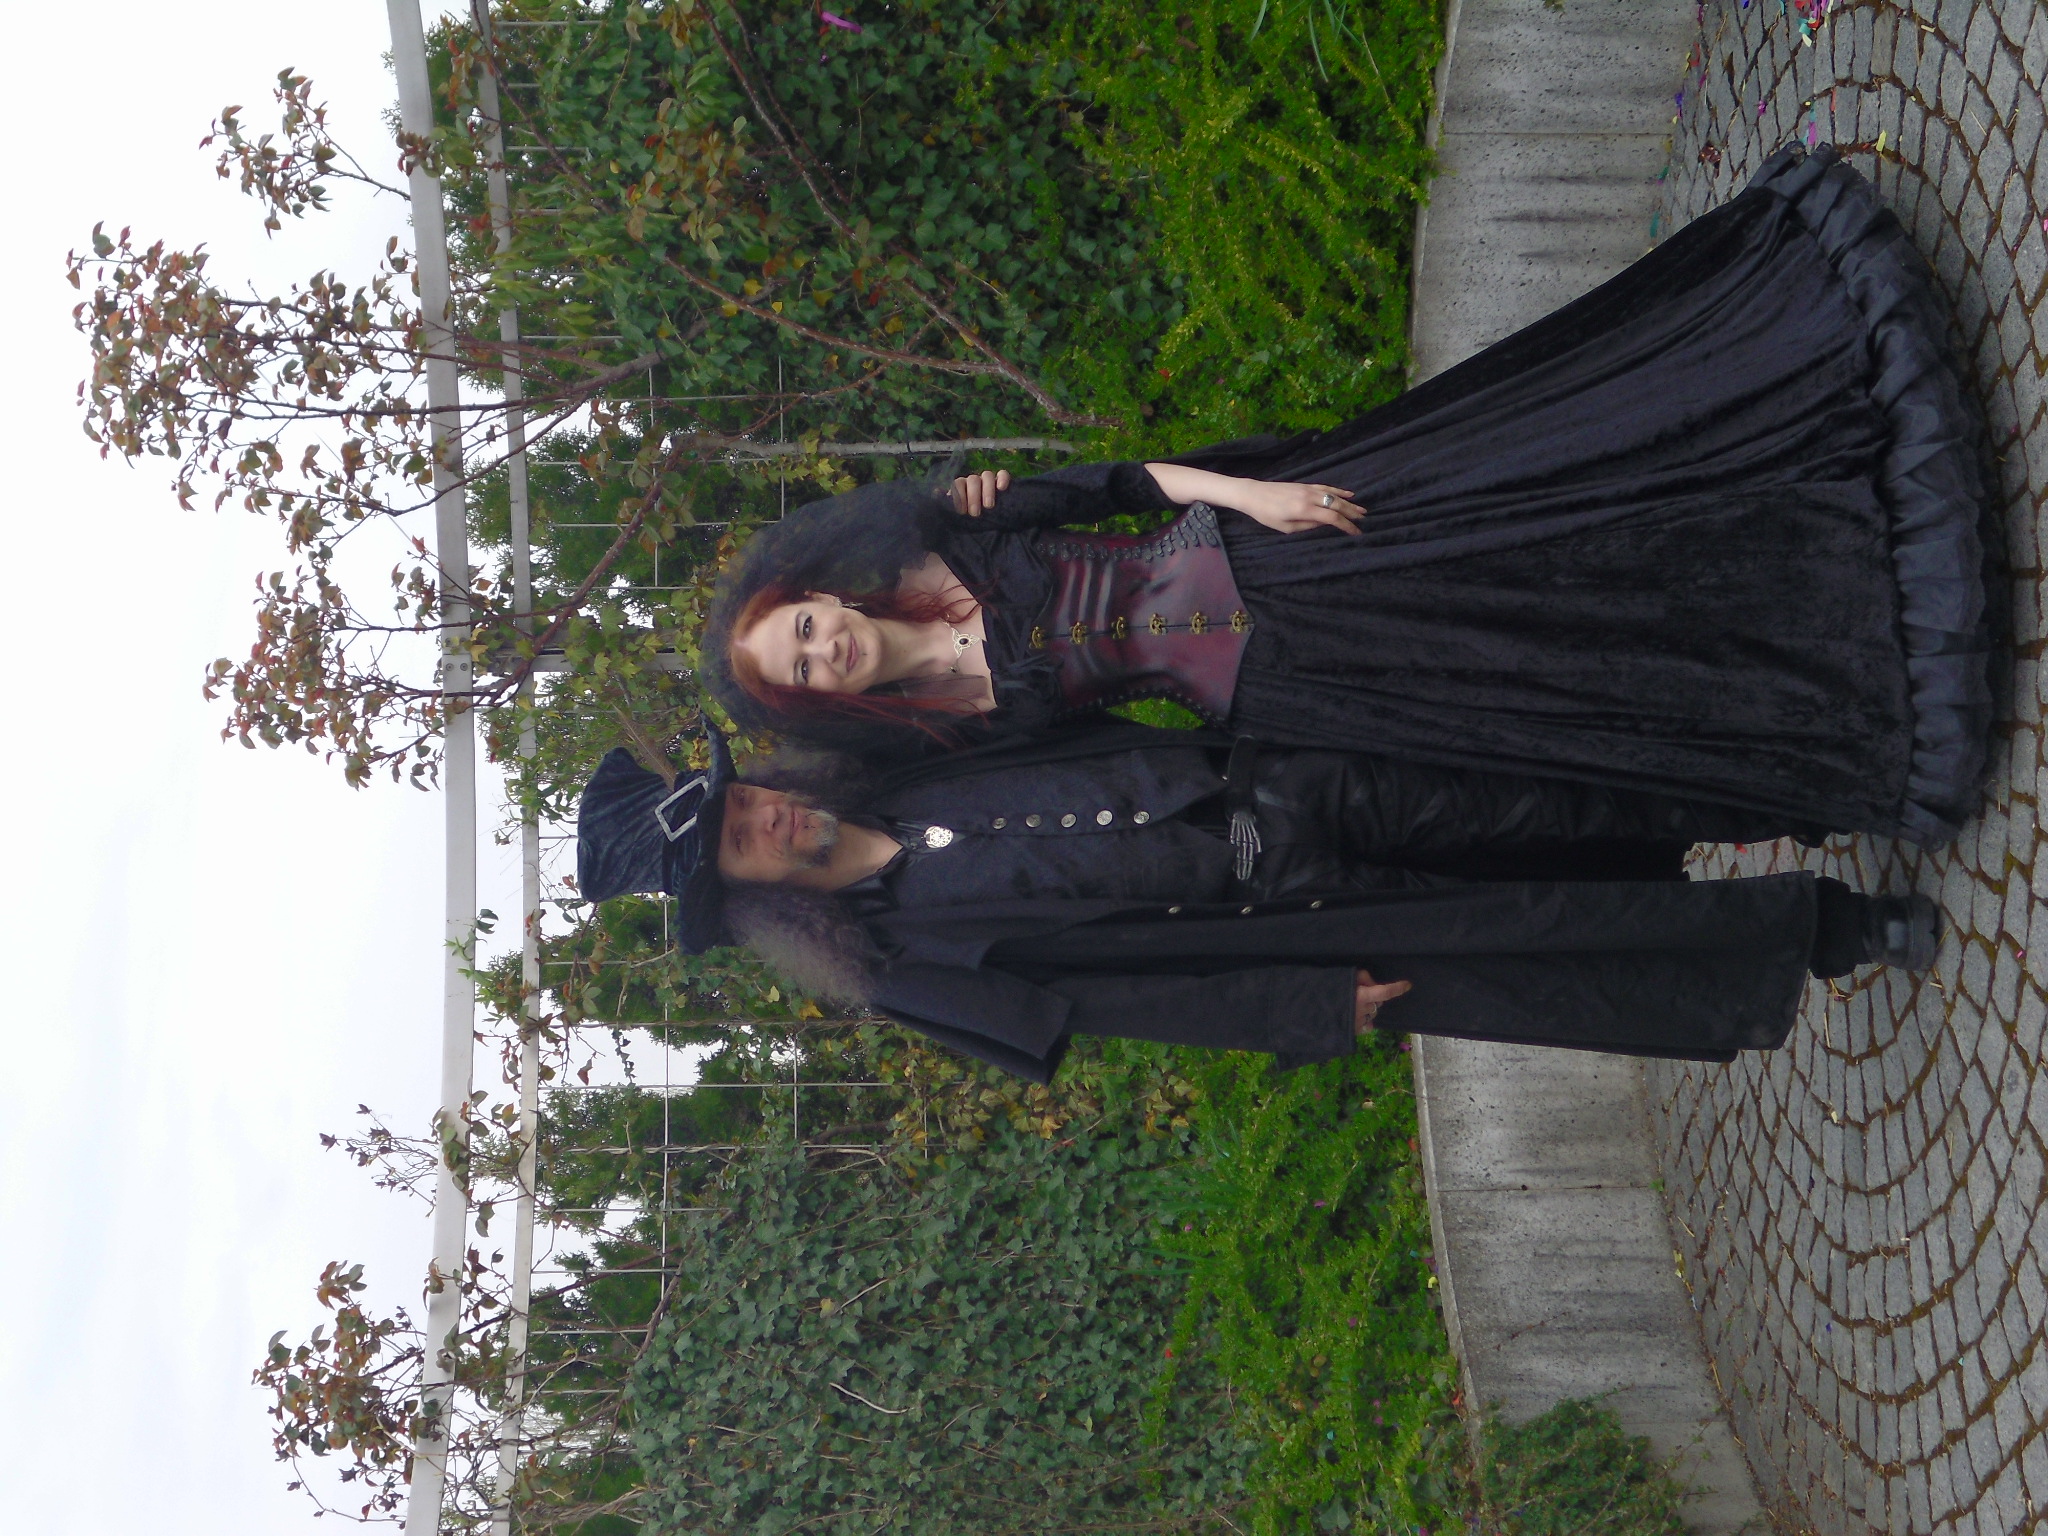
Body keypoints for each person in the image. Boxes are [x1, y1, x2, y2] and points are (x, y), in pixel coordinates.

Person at [701, 144, 1994, 848]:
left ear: (820, 595)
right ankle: (1856, 655)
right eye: (800, 670)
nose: (821, 649)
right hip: (1293, 682)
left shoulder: (959, 528)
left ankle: (1815, 404)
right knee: (1554, 649)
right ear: (820, 700)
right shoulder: (961, 738)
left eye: (801, 627)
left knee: (1548, 499)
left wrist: (1255, 498)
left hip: (1273, 552)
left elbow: (1126, 481)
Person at [574, 725, 1941, 1083]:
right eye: (743, 839)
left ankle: (1814, 789)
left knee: (1556, 799)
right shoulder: (898, 969)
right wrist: (1301, 1006)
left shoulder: (899, 754)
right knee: (1543, 928)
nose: (769, 815)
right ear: (747, 895)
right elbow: (1112, 1007)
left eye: (746, 798)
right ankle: (1831, 930)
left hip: (1276, 778)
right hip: (1282, 918)